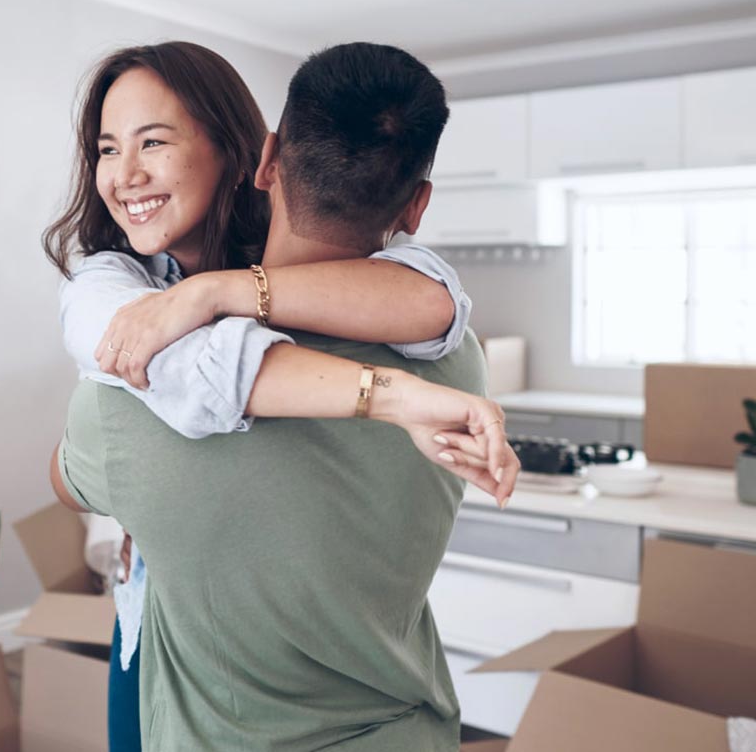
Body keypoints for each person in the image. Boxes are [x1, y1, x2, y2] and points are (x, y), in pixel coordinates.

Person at [42, 42, 515, 750]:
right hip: (397, 714)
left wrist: (220, 290)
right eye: (107, 149)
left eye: (154, 142)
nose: (125, 173)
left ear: (259, 159)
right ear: (416, 205)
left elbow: (72, 476)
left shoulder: (123, 409)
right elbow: (442, 308)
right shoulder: (458, 366)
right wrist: (387, 395)